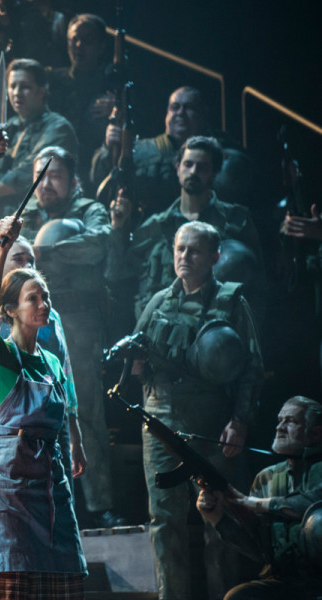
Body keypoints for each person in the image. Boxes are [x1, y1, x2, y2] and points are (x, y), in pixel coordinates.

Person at [0, 132, 87, 536]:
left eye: (30, 259)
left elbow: (64, 374)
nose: (25, 263)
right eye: (17, 257)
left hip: (44, 426)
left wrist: (76, 431)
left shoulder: (50, 314)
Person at [133, 221, 264, 600]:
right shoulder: (158, 301)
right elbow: (134, 360)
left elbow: (252, 368)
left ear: (215, 257)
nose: (184, 257)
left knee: (219, 517)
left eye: (194, 251)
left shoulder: (231, 302)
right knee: (163, 521)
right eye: (179, 249)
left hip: (210, 420)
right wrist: (132, 366)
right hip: (160, 420)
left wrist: (239, 421)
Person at [0, 218, 86, 598]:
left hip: (50, 489)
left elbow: (64, 415)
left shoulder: (51, 361)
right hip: (5, 494)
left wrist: (74, 447)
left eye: (45, 297)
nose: (43, 304)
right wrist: (3, 247)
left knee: (60, 580)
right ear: (11, 309)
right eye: (33, 297)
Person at [13, 145, 121, 527]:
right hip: (31, 324)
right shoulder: (27, 215)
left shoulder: (88, 209)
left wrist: (47, 251)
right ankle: (47, 503)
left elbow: (98, 243)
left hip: (77, 321)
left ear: (73, 180)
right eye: (40, 176)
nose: (46, 184)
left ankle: (98, 505)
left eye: (55, 175)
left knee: (84, 411)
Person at [107, 136, 263, 319]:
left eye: (202, 167)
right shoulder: (156, 226)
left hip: (215, 333)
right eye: (188, 164)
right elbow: (115, 273)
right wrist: (117, 228)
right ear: (178, 167)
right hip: (162, 333)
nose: (193, 172)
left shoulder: (235, 222)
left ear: (214, 173)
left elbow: (259, 289)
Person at [197, 396, 322, 600]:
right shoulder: (267, 478)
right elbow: (258, 549)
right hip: (284, 580)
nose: (280, 428)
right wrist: (216, 517)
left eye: (290, 421)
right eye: (279, 420)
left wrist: (252, 503)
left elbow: (308, 503)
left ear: (316, 433)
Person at [91, 86, 254, 216]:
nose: (180, 113)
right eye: (175, 107)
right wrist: (109, 147)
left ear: (204, 115)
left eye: (190, 108)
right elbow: (99, 178)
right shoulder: (139, 149)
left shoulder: (221, 152)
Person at [0, 58, 78, 238]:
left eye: (25, 87)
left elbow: (27, 174)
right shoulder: (9, 127)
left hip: (38, 220)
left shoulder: (58, 127)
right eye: (13, 86)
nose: (17, 93)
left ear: (42, 91)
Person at [47, 14, 112, 194]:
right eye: (74, 39)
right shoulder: (53, 79)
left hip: (92, 168)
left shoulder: (111, 83)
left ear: (101, 46)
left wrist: (116, 110)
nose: (78, 46)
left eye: (87, 41)